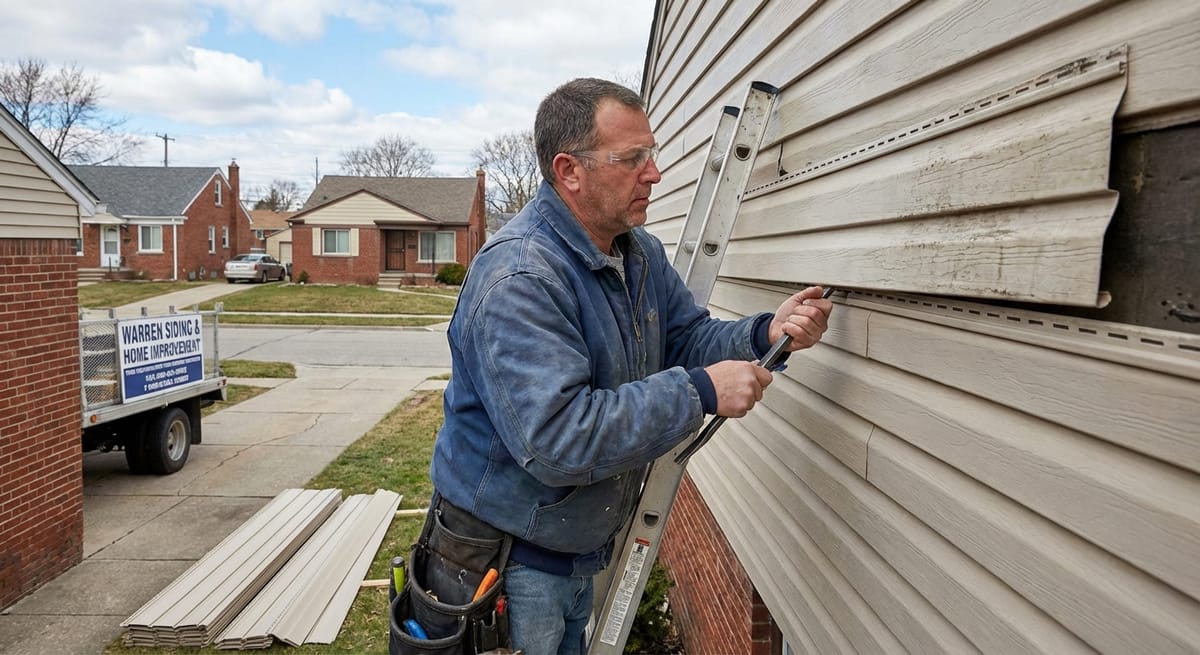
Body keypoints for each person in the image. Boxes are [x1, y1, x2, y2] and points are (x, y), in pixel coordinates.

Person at [426, 77, 832, 655]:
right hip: (508, 567)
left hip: (573, 550)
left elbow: (688, 338)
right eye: (633, 159)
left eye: (653, 154)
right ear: (569, 170)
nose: (655, 173)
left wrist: (767, 332)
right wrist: (698, 392)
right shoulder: (521, 279)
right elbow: (556, 439)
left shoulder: (635, 252)